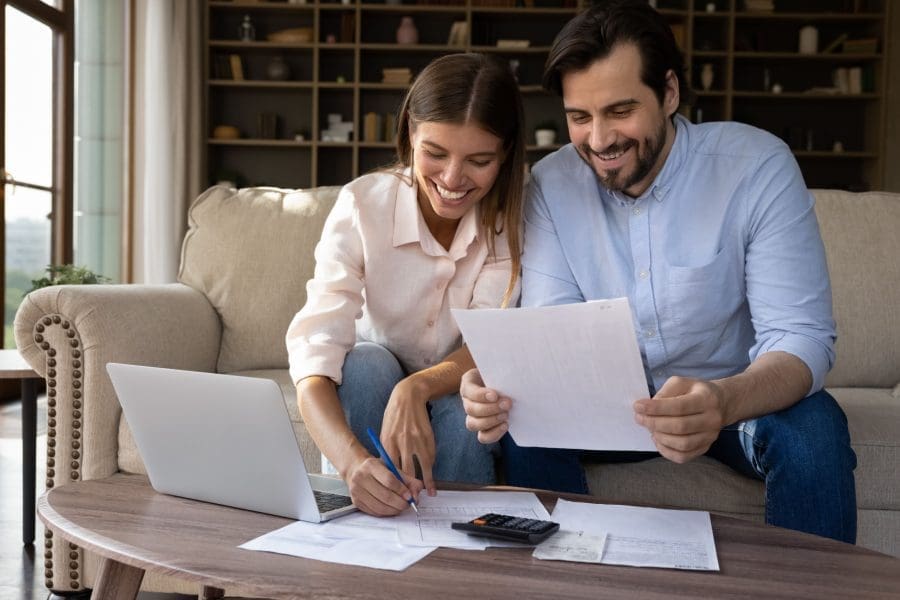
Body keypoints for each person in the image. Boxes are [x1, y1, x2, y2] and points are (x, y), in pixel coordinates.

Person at [460, 0, 857, 544]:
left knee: (816, 432)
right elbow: (552, 328)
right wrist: (507, 382)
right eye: (580, 117)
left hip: (732, 405)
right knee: (520, 430)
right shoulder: (551, 185)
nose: (599, 141)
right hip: (604, 411)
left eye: (620, 111)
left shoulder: (757, 167)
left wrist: (723, 401)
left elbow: (802, 338)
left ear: (669, 93)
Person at [287, 53, 526, 517]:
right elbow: (315, 354)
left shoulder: (511, 219)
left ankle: (458, 564)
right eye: (435, 153)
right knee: (365, 365)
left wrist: (415, 388)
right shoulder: (362, 204)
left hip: (458, 382)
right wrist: (351, 462)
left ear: (505, 155)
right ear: (410, 133)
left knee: (464, 416)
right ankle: (361, 520)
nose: (452, 180)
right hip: (372, 378)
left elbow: (487, 340)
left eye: (478, 161)